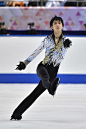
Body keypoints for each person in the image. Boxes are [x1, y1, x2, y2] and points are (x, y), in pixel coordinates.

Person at [10, 16, 72, 120]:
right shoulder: (47, 40)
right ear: (51, 26)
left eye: (59, 23)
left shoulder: (66, 41)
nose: (57, 24)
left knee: (35, 94)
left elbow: (65, 48)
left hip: (54, 71)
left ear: (62, 26)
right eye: (55, 23)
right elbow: (37, 51)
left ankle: (16, 114)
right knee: (45, 77)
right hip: (43, 67)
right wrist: (25, 63)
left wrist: (66, 45)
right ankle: (51, 88)